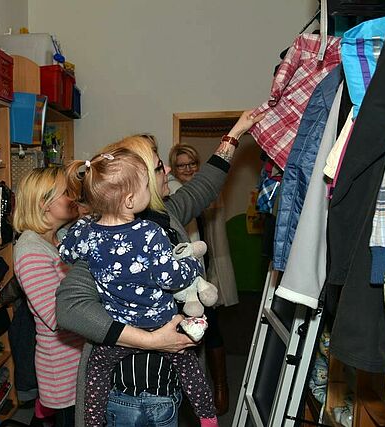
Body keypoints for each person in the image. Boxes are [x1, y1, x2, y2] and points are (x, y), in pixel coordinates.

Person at [55, 110, 263, 427]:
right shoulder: (108, 236)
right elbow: (70, 308)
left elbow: (203, 186)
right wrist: (153, 341)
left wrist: (236, 132)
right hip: (134, 394)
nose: (166, 170)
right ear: (137, 184)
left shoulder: (165, 213)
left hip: (166, 385)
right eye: (156, 166)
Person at [58, 148, 216, 427]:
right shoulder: (148, 233)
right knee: (188, 363)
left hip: (119, 330)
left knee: (97, 372)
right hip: (158, 323)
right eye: (146, 185)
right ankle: (207, 418)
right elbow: (171, 278)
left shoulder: (85, 231)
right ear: (130, 200)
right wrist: (192, 265)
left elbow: (66, 254)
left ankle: (93, 422)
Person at [168, 143, 239, 414]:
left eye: (191, 164)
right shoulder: (175, 195)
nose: (187, 169)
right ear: (173, 169)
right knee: (196, 327)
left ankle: (221, 385)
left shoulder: (206, 190)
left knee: (213, 328)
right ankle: (200, 390)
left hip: (208, 263)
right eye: (181, 165)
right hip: (190, 273)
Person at [12, 167, 85, 427]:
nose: (73, 197)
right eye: (67, 193)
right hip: (63, 366)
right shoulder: (30, 251)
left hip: (77, 357)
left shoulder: (59, 238)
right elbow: (58, 317)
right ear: (44, 203)